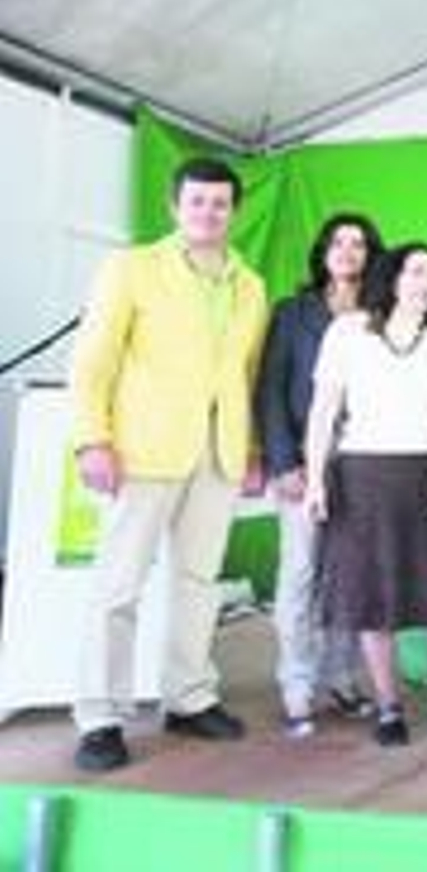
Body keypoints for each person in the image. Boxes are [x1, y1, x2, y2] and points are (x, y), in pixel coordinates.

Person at [70, 157, 269, 773]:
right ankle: (100, 715)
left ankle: (189, 697)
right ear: (174, 207)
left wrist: (251, 449)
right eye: (197, 201)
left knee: (199, 582)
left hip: (218, 453)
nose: (208, 212)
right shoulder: (131, 268)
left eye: (220, 203)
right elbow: (93, 359)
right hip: (141, 449)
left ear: (234, 212)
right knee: (119, 585)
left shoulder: (250, 285)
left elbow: (246, 377)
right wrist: (92, 439)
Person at [303, 243, 427, 747]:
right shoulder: (347, 331)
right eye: (417, 271)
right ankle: (388, 709)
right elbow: (323, 410)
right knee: (371, 597)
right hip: (362, 476)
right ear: (393, 277)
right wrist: (315, 479)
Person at [257, 213, 384, 739]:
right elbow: (270, 388)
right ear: (323, 253)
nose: (348, 251)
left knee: (350, 575)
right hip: (302, 462)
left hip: (364, 462)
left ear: (371, 255)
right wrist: (283, 462)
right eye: (338, 242)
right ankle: (297, 684)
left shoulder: (384, 314)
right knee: (301, 572)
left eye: (359, 244)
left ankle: (343, 678)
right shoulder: (293, 313)